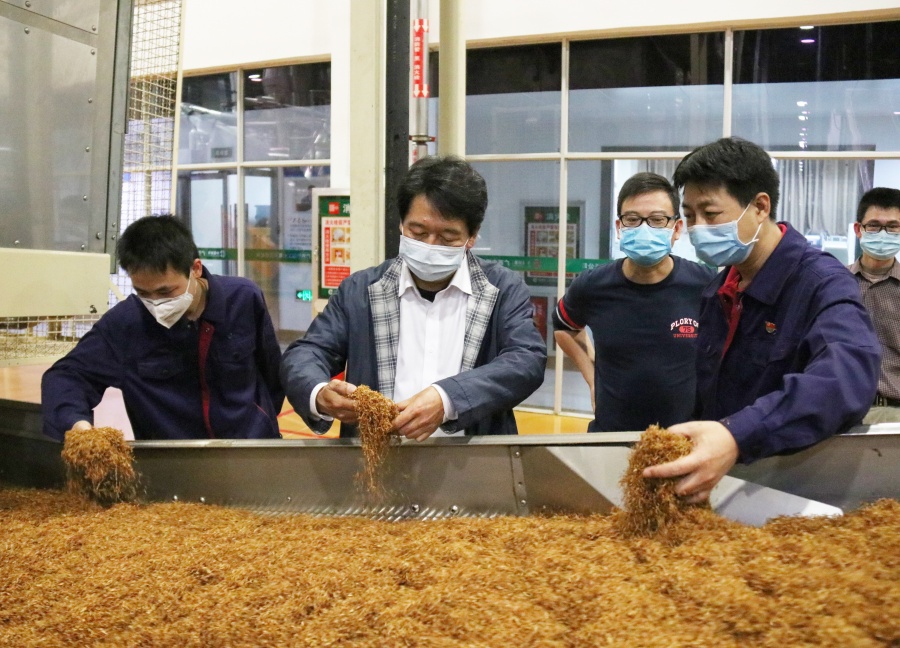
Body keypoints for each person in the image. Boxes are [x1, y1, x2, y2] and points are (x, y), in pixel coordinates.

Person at [644, 137, 881, 502]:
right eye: (689, 216)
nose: (697, 228)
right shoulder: (720, 288)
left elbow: (846, 376)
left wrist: (738, 434)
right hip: (726, 485)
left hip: (798, 491)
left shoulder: (821, 284)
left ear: (759, 206)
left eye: (711, 214)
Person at [280, 155, 547, 440]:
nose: (430, 246)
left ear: (472, 235)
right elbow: (305, 354)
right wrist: (320, 393)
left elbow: (526, 359)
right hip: (379, 466)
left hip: (471, 465)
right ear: (401, 225)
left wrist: (447, 400)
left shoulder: (502, 290)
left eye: (448, 237)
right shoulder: (360, 291)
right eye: (418, 232)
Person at [42, 215, 284, 441]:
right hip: (172, 465)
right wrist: (77, 425)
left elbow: (272, 374)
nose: (156, 303)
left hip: (249, 452)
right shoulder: (126, 324)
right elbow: (66, 376)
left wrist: (263, 428)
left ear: (195, 269)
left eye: (166, 291)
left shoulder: (243, 299)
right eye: (143, 293)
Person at [552, 172, 714, 431]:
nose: (644, 229)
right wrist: (592, 377)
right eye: (633, 219)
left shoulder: (705, 285)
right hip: (609, 436)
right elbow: (563, 328)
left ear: (676, 228)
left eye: (657, 220)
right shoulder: (593, 286)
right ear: (619, 227)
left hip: (683, 438)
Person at [848, 187, 900, 424]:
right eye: (874, 225)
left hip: (896, 412)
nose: (883, 233)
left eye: (892, 226)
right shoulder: (834, 283)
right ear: (859, 229)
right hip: (843, 412)